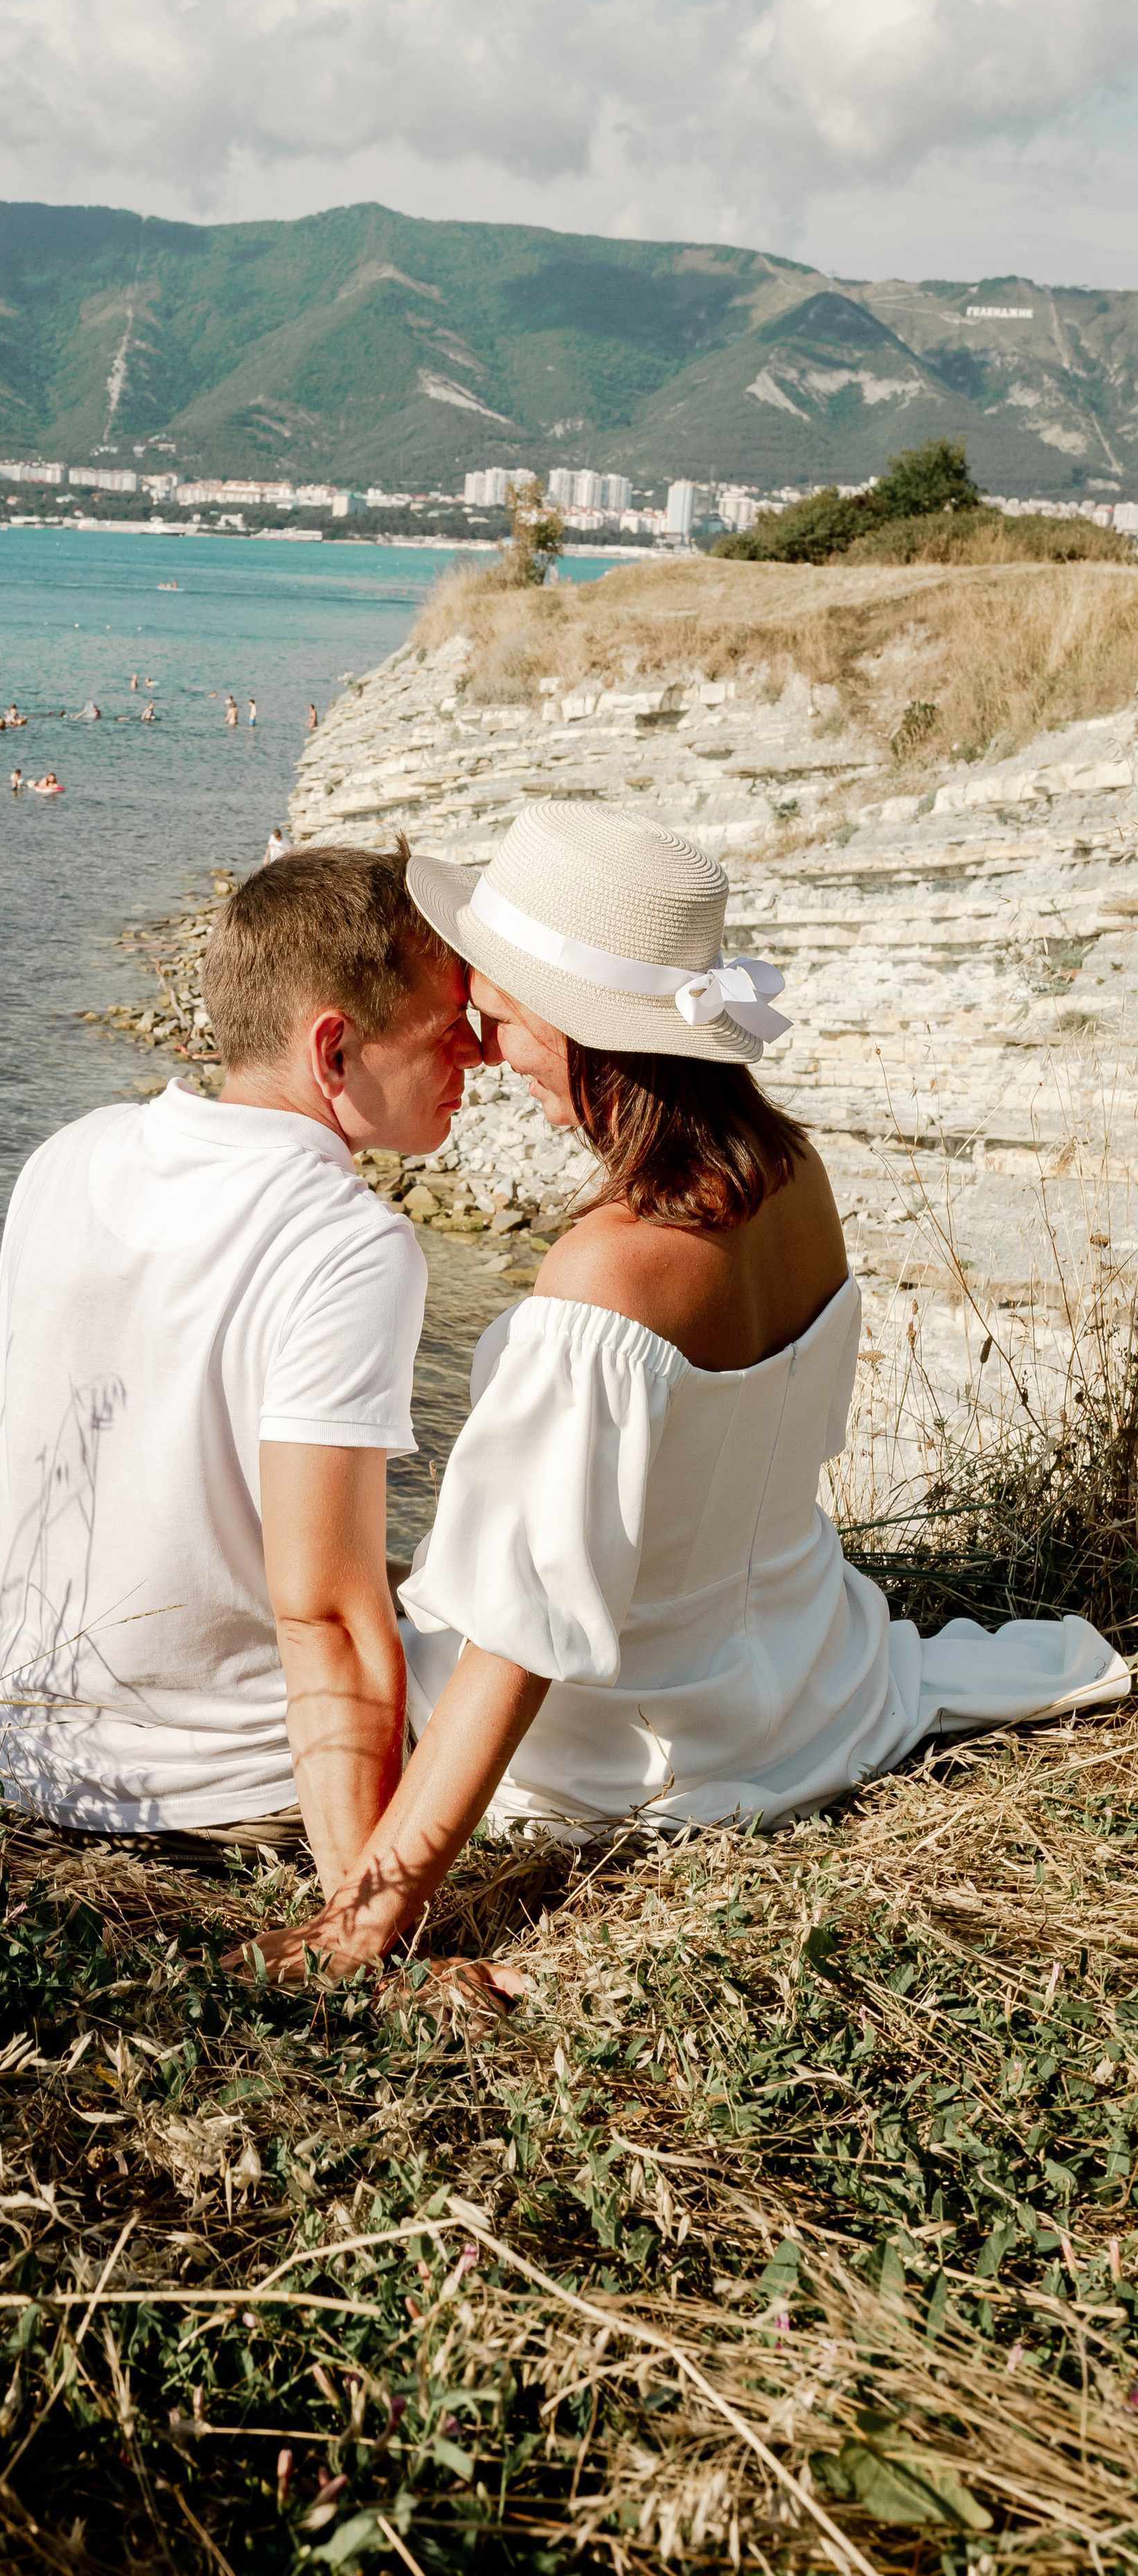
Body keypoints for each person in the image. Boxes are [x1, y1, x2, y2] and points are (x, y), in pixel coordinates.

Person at [243, 806, 1128, 1980]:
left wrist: (370, 1916)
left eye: (499, 1023)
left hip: (641, 1755)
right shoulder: (795, 1175)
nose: (485, 1056)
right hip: (814, 1684)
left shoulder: (605, 1277)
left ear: (578, 1031)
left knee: (325, 1633)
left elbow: (520, 1636)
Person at [0, 844, 482, 1878]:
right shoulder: (349, 1242)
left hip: (11, 1752)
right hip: (221, 1801)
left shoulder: (66, 1155)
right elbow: (322, 1610)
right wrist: (362, 1922)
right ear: (334, 1051)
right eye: (445, 1036)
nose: (477, 1063)